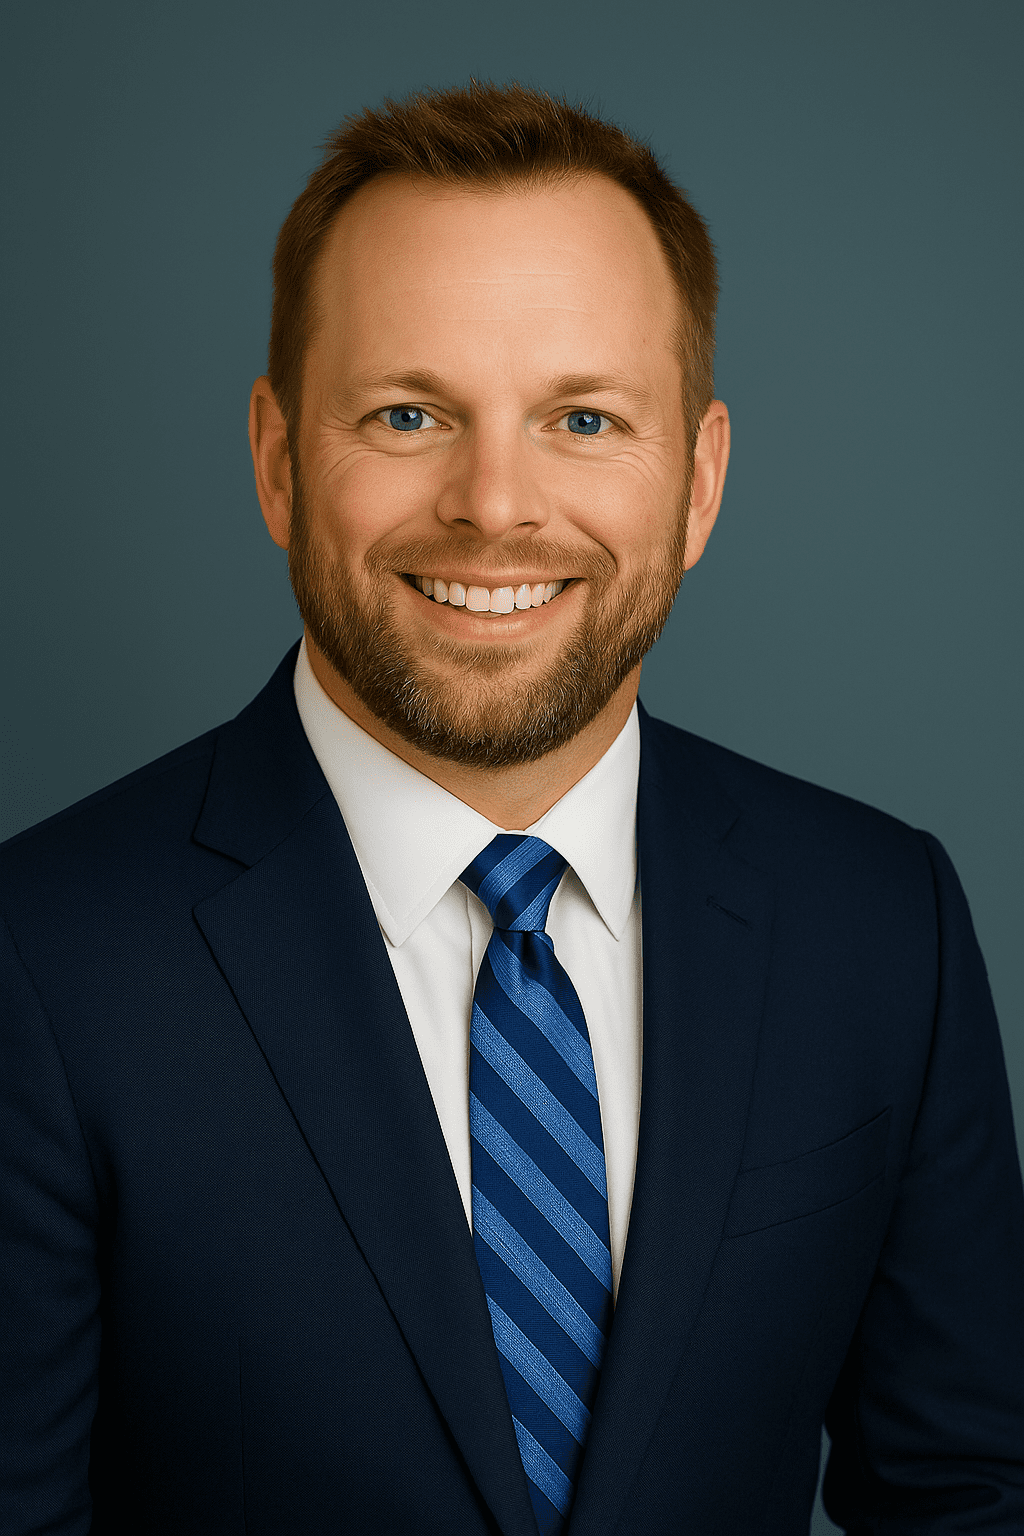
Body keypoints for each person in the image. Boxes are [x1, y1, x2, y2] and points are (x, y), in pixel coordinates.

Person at [2, 80, 1022, 1536]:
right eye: (409, 413)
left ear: (702, 482)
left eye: (585, 418)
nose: (495, 505)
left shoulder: (883, 927)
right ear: (281, 461)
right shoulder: (40, 958)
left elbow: (970, 1495)